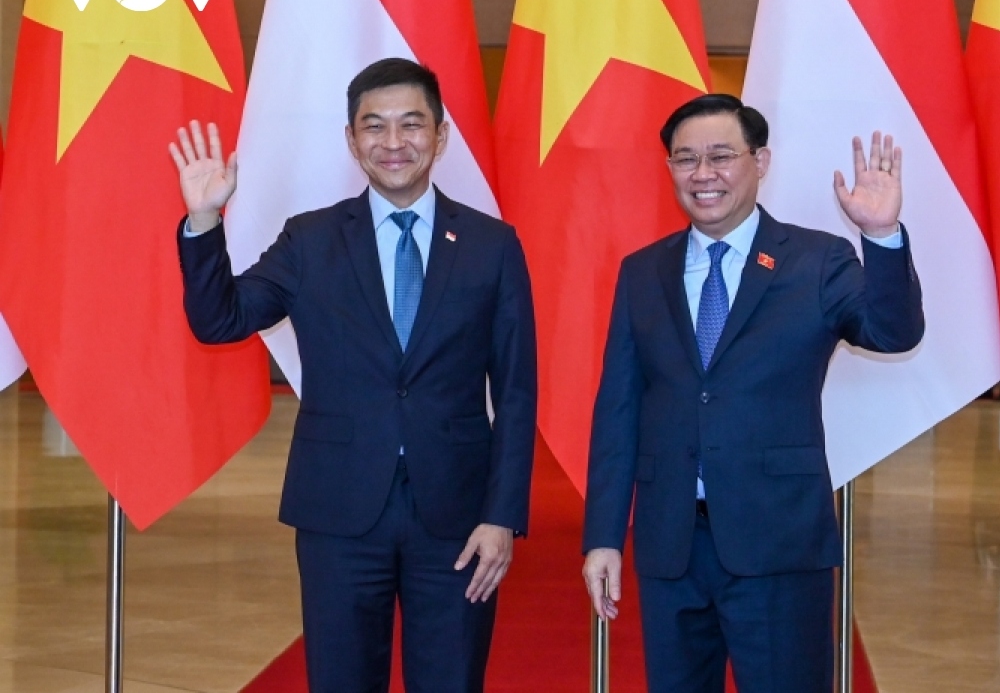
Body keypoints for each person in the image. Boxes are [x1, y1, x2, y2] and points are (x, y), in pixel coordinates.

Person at [171, 58, 537, 693]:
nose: (393, 143)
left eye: (410, 125)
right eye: (374, 127)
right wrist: (204, 221)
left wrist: (502, 514)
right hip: (337, 513)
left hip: (456, 518)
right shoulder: (310, 240)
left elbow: (516, 391)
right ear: (351, 140)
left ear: (441, 135)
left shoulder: (491, 244)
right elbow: (221, 320)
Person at [581, 94, 923, 692]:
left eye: (720, 155)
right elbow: (618, 411)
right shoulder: (643, 272)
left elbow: (893, 333)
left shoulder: (816, 260)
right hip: (671, 547)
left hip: (780, 545)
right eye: (685, 159)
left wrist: (884, 235)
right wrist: (604, 537)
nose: (703, 174)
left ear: (760, 161)